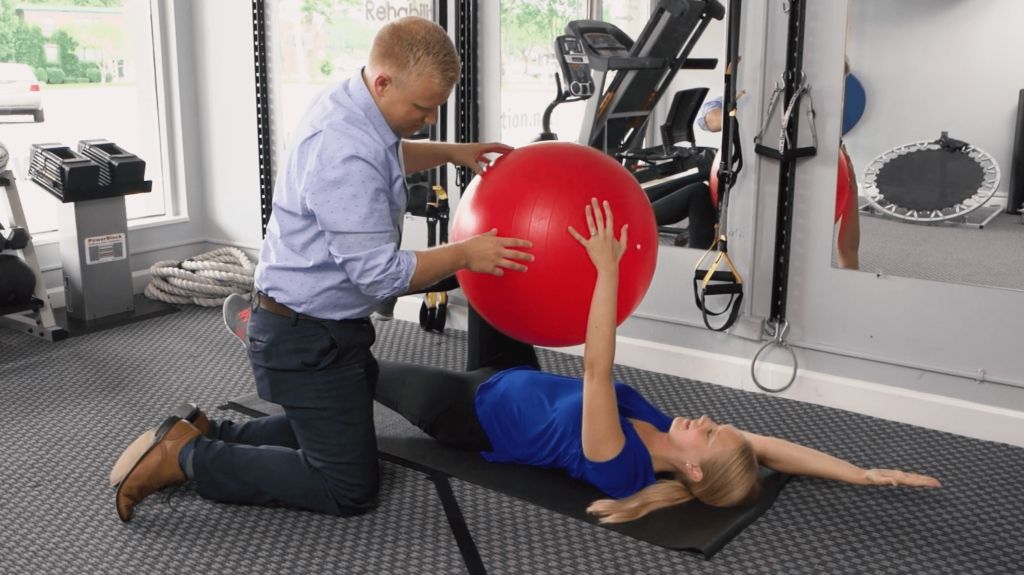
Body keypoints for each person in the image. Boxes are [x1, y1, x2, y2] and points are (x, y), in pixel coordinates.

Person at [109, 16, 535, 522]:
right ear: (383, 82)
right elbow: (379, 276)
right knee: (348, 486)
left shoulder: (358, 107)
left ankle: (203, 431)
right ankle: (185, 457)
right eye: (422, 107)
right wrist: (466, 254)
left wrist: (451, 152)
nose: (429, 117)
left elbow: (388, 153)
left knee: (330, 428)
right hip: (304, 339)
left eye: (437, 106)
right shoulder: (343, 149)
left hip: (321, 326)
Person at [374, 200, 938, 522]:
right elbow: (769, 451)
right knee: (498, 271)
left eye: (712, 435)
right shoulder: (670, 433)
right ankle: (394, 281)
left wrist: (607, 267)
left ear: (692, 471)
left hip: (465, 411)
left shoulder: (620, 467)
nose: (708, 422)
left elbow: (597, 369)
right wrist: (860, 474)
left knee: (353, 369)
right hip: (511, 374)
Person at [699, 84, 861, 269]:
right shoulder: (754, 89)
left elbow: (848, 251)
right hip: (752, 186)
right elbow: (706, 119)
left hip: (805, 190)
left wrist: (852, 191)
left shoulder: (820, 121)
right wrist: (743, 114)